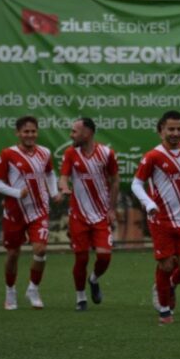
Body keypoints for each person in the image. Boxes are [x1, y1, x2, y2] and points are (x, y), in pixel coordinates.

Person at [131, 110, 180, 325]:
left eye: (179, 129)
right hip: (161, 220)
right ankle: (164, 309)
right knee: (165, 265)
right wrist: (149, 203)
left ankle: (169, 284)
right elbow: (137, 184)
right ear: (160, 131)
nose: (175, 133)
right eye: (170, 129)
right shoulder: (153, 156)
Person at [0, 116, 59, 311]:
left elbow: (49, 173)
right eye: (26, 131)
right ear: (18, 133)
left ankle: (33, 288)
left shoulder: (45, 152)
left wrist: (53, 192)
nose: (30, 135)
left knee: (40, 250)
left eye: (33, 131)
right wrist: (16, 193)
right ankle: (10, 291)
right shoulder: (7, 154)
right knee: (13, 254)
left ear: (37, 132)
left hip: (39, 210)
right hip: (15, 212)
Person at [59, 117, 120, 311]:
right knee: (81, 258)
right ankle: (80, 298)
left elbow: (115, 180)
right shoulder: (70, 153)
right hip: (78, 215)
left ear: (87, 133)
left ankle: (93, 280)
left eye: (74, 131)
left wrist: (111, 209)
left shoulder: (106, 153)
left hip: (101, 215)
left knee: (104, 257)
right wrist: (64, 188)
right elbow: (63, 178)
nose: (71, 135)